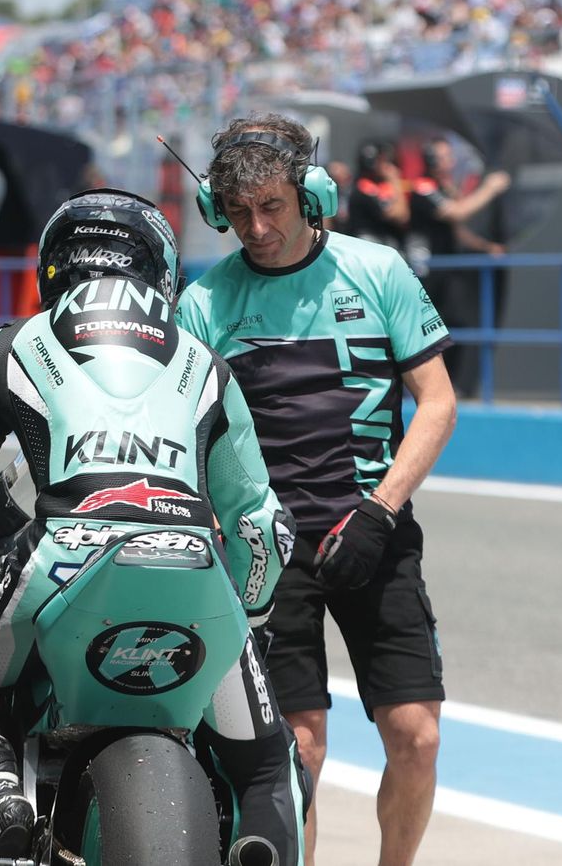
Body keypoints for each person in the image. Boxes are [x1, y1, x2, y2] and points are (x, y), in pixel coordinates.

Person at [0, 189, 308, 866]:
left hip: (62, 558)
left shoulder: (13, 346)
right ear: (161, 274)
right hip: (194, 563)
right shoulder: (206, 364)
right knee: (268, 767)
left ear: (54, 269)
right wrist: (247, 619)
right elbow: (262, 526)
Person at [177, 112, 458, 866]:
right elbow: (186, 432)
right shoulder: (203, 305)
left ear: (311, 195)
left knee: (417, 737)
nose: (256, 228)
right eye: (237, 212)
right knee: (297, 750)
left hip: (373, 530)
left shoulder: (379, 272)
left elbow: (438, 403)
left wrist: (379, 512)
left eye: (271, 206)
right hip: (264, 549)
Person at [409, 137, 511, 396]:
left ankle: (450, 384)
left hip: (447, 271)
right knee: (429, 329)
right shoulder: (423, 187)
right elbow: (456, 213)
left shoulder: (443, 187)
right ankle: (422, 387)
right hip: (428, 272)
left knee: (456, 324)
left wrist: (487, 247)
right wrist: (489, 189)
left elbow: (456, 230)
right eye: (444, 157)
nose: (450, 162)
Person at [345, 139, 411, 258]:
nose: (387, 165)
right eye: (383, 161)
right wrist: (394, 180)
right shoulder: (364, 186)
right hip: (369, 244)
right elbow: (400, 216)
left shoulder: (377, 186)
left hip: (383, 242)